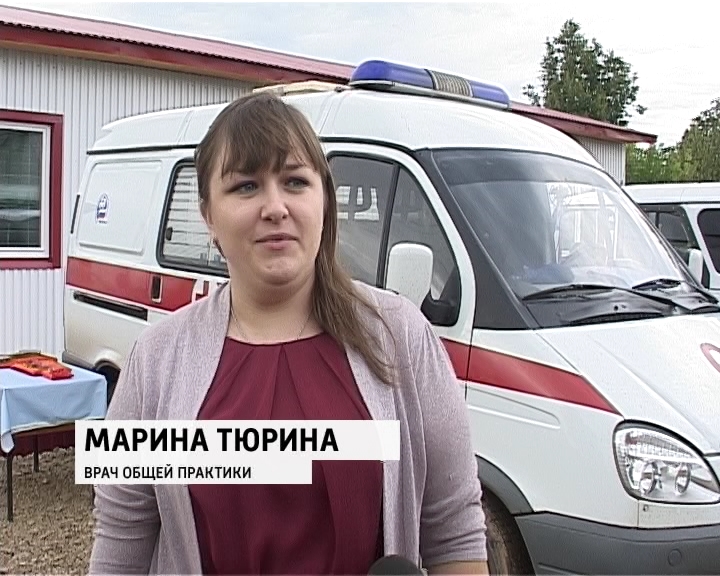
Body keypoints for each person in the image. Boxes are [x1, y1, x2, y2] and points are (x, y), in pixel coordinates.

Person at [88, 92, 489, 575]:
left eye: (295, 181)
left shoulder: (402, 335)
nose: (275, 207)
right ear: (208, 216)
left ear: (324, 200)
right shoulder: (154, 358)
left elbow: (454, 527)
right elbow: (121, 533)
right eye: (246, 186)